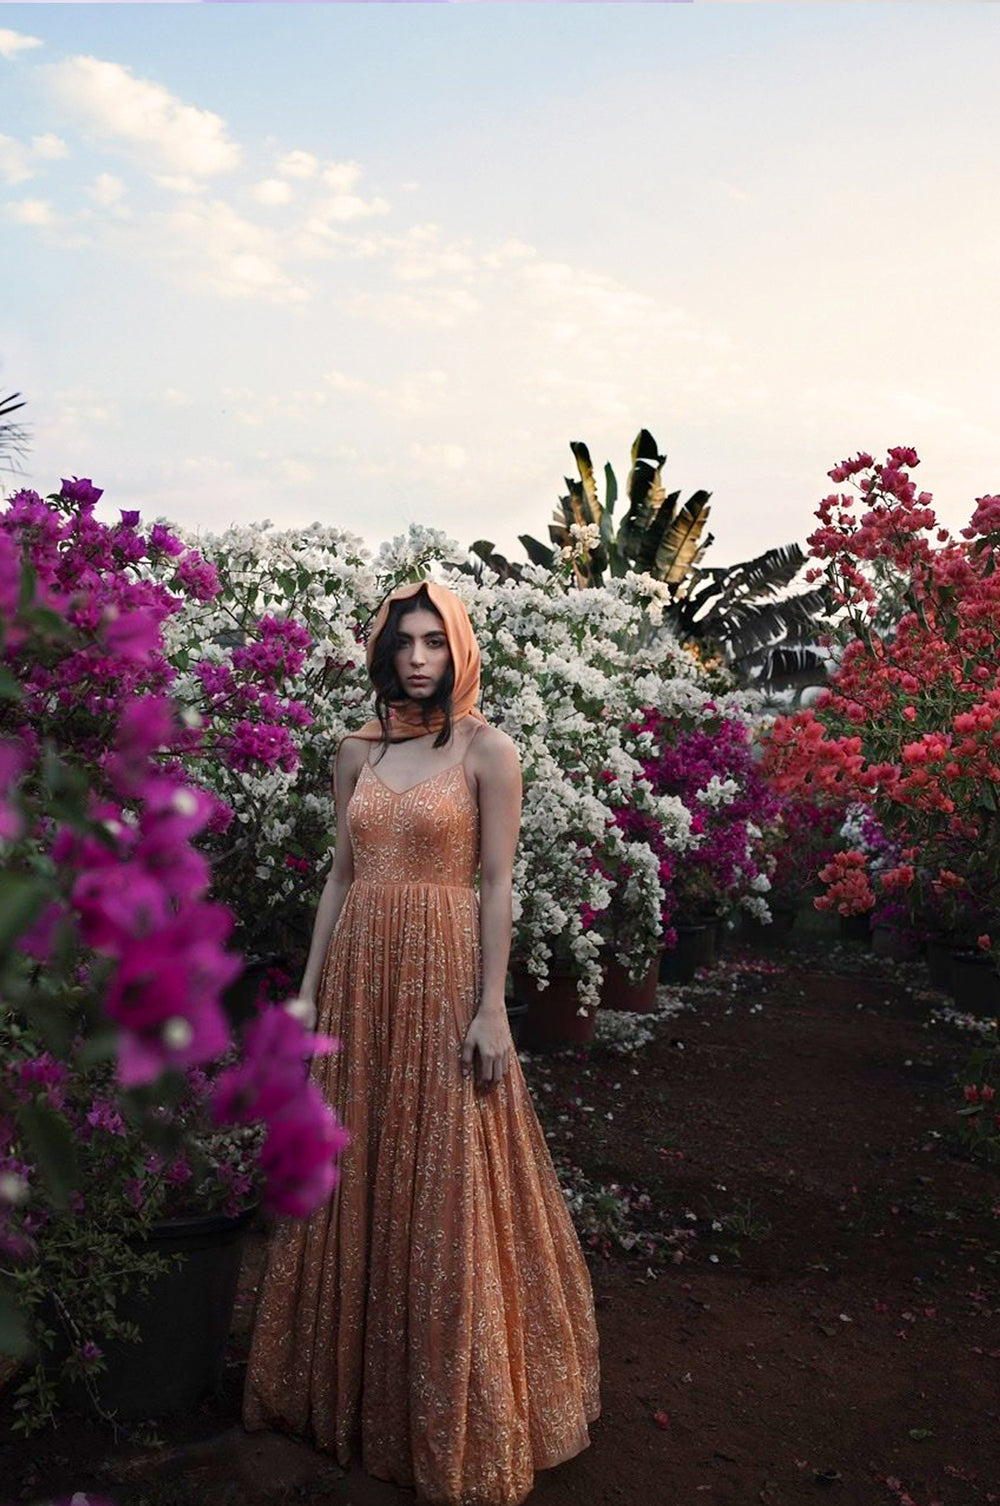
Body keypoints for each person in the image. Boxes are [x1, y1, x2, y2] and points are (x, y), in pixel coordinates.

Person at [242, 578, 601, 1506]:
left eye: (433, 642)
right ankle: (344, 1394)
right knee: (357, 1166)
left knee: (445, 1172)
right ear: (382, 650)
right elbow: (338, 877)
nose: (416, 658)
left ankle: (446, 1410)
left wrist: (492, 1008)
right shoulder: (354, 751)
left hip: (443, 981)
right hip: (361, 977)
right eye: (402, 641)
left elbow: (495, 886)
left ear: (459, 651)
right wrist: (312, 993)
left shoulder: (489, 751)